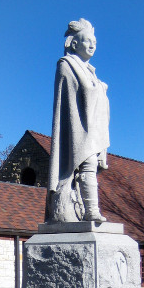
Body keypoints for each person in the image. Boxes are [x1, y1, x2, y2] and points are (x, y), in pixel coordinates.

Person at [46, 18, 110, 223]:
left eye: (95, 42)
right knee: (87, 164)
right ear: (74, 43)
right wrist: (98, 88)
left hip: (92, 128)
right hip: (76, 128)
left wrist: (100, 87)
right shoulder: (66, 65)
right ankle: (91, 210)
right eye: (87, 40)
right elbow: (71, 102)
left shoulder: (91, 72)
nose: (92, 45)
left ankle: (90, 209)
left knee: (91, 166)